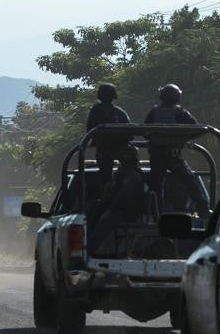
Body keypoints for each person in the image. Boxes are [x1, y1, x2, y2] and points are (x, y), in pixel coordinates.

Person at [143, 84, 212, 218]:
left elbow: (145, 132)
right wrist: (182, 138)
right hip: (173, 155)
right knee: (189, 181)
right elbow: (196, 129)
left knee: (156, 185)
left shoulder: (155, 111)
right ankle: (203, 209)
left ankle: (156, 213)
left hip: (157, 154)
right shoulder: (180, 112)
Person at [89, 146, 148, 254]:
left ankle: (89, 249)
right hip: (117, 208)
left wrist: (109, 211)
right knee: (91, 209)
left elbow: (123, 197)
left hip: (127, 211)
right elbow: (111, 192)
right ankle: (86, 243)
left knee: (106, 220)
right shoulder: (120, 175)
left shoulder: (133, 176)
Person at [87, 83, 131, 184]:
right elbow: (90, 129)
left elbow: (129, 131)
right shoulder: (97, 111)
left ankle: (119, 187)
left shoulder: (118, 112)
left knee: (128, 170)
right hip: (104, 148)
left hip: (117, 147)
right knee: (106, 175)